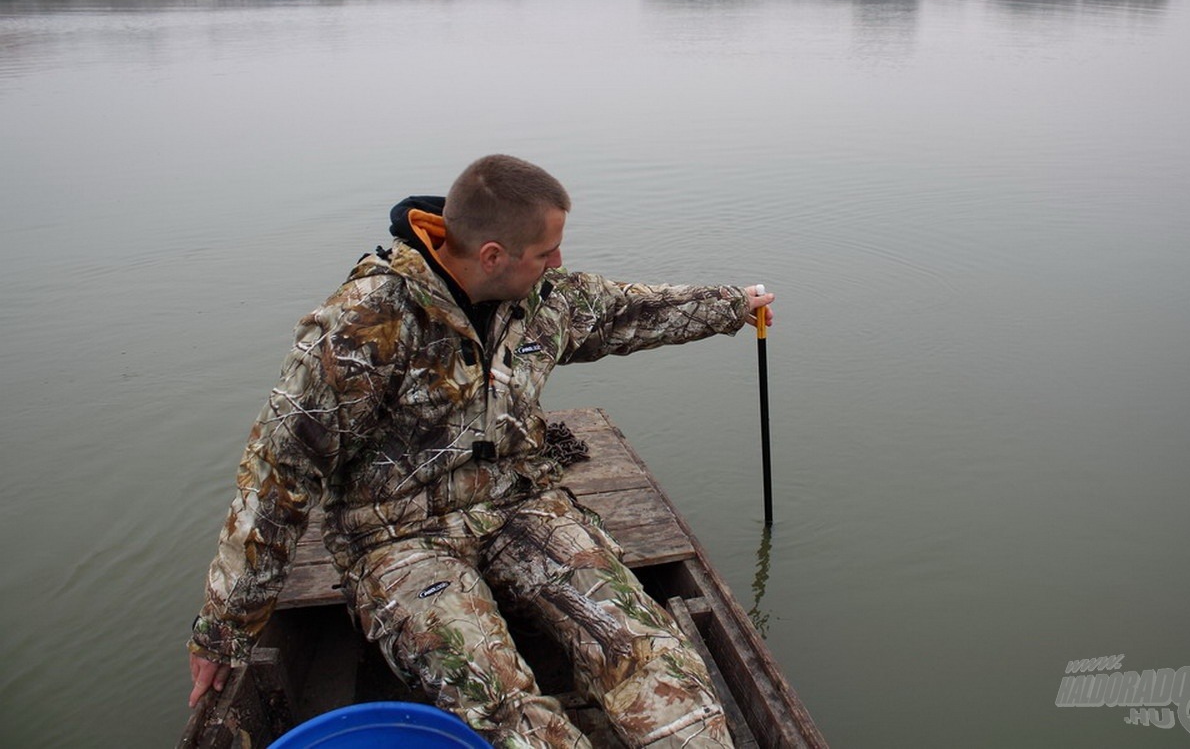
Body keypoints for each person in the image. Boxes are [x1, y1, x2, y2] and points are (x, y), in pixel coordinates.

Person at [187, 155, 775, 748]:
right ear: (494, 256)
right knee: (499, 704)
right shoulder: (362, 327)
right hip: (397, 534)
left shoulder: (543, 298)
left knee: (641, 649)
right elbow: (277, 478)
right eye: (547, 252)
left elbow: (626, 309)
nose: (559, 262)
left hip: (522, 505)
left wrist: (737, 303)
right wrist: (222, 633)